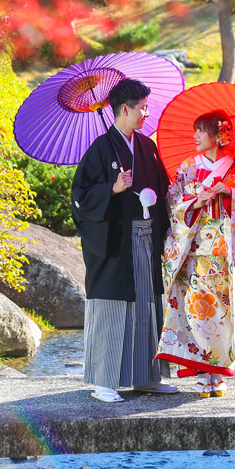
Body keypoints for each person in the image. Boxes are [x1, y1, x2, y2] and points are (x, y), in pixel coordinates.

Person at [71, 78, 178, 402]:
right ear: (124, 109)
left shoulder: (147, 147)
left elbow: (163, 189)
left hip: (144, 236)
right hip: (114, 241)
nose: (147, 112)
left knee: (147, 305)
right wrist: (112, 189)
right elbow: (79, 196)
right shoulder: (100, 149)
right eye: (142, 107)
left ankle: (146, 376)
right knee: (113, 307)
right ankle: (104, 382)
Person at [156, 111, 235, 397]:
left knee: (225, 313)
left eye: (201, 131)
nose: (196, 136)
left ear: (219, 135)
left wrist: (231, 193)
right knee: (198, 313)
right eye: (195, 130)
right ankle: (203, 372)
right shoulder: (188, 167)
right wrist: (194, 200)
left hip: (225, 254)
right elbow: (172, 200)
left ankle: (219, 372)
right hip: (196, 252)